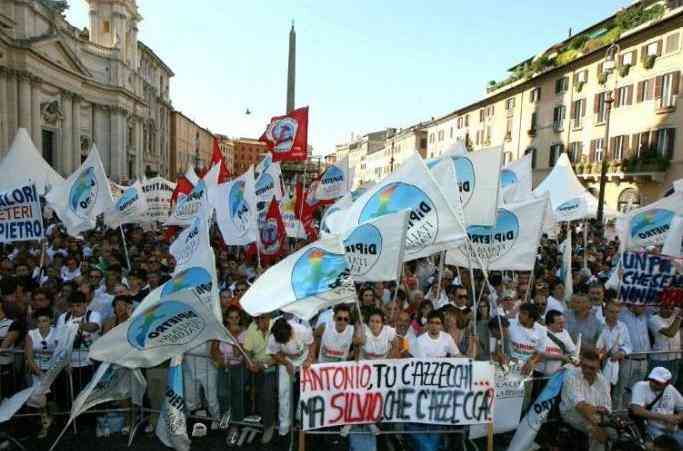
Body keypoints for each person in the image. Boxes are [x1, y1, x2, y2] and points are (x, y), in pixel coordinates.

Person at [267, 317, 314, 439]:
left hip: (304, 358)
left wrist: (309, 359)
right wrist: (286, 363)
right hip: (286, 360)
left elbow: (313, 344)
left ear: (291, 331)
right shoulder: (273, 337)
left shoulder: (303, 330)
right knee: (283, 391)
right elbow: (273, 353)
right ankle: (284, 422)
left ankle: (300, 416)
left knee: (306, 389)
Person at [559, 346, 614, 451]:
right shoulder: (571, 376)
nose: (587, 370)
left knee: (615, 431)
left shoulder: (603, 381)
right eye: (584, 366)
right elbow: (580, 407)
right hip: (571, 412)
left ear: (598, 367)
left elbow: (607, 407)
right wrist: (596, 417)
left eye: (592, 368)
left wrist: (599, 414)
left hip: (595, 414)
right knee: (597, 433)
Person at [211, 306, 246, 444]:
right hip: (223, 367)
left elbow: (239, 353)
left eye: (236, 317)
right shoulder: (220, 331)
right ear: (226, 319)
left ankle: (235, 425)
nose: (234, 320)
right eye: (231, 317)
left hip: (238, 368)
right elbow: (213, 350)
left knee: (237, 395)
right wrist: (221, 361)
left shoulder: (244, 332)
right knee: (222, 393)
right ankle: (227, 416)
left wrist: (234, 335)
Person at [630, 367, 683, 447]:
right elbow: (637, 410)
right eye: (652, 380)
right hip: (651, 428)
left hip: (672, 429)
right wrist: (665, 418)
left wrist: (677, 419)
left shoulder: (671, 389)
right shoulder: (641, 386)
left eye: (657, 382)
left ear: (667, 383)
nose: (653, 383)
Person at [243, 312, 275, 443]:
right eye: (257, 318)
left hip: (275, 364)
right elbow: (247, 352)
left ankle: (270, 425)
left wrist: (265, 365)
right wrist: (249, 364)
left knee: (268, 395)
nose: (259, 321)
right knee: (258, 394)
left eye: (263, 318)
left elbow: (281, 352)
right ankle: (263, 423)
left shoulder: (276, 325)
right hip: (258, 365)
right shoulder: (251, 328)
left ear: (269, 317)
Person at [596, 302, 631, 408]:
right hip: (599, 363)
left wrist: (622, 352)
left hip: (618, 363)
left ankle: (614, 414)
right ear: (605, 311)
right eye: (611, 312)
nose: (614, 314)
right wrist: (602, 354)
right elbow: (594, 345)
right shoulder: (598, 324)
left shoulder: (623, 326)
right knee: (599, 391)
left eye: (617, 312)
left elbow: (629, 345)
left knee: (617, 392)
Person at [618, 303, 651, 410]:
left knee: (636, 391)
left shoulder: (645, 316)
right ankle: (617, 413)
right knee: (621, 390)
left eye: (643, 305)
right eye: (639, 305)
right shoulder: (623, 315)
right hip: (629, 359)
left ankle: (630, 413)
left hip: (644, 360)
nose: (642, 307)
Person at [648, 305, 682, 386]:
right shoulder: (654, 319)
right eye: (666, 307)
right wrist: (679, 317)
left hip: (675, 358)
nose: (669, 310)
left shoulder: (675, 314)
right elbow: (670, 333)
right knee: (657, 387)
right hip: (660, 360)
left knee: (670, 387)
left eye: (671, 308)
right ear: (659, 307)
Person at [508, 303, 544, 375]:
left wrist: (532, 361)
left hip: (527, 371)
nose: (520, 315)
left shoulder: (542, 330)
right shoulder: (510, 324)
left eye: (524, 313)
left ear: (532, 318)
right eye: (520, 312)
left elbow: (540, 352)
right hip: (509, 366)